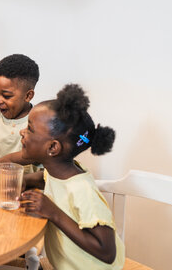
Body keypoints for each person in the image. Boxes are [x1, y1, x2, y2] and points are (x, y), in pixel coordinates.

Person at [19, 84, 125, 269]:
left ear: (52, 148)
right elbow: (43, 177)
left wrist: (53, 213)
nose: (22, 132)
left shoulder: (82, 191)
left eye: (30, 129)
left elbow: (107, 252)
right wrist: (23, 180)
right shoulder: (59, 170)